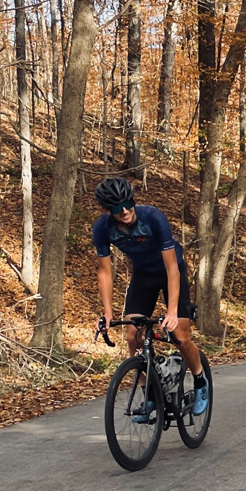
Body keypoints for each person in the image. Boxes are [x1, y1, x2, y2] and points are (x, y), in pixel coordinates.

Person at [92, 177, 209, 419]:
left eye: (127, 203)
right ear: (106, 210)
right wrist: (107, 313)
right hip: (143, 275)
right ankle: (150, 396)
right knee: (132, 335)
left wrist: (173, 312)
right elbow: (104, 271)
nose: (124, 211)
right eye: (116, 208)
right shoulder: (103, 228)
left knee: (180, 336)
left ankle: (200, 380)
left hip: (171, 271)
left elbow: (172, 269)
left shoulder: (153, 218)